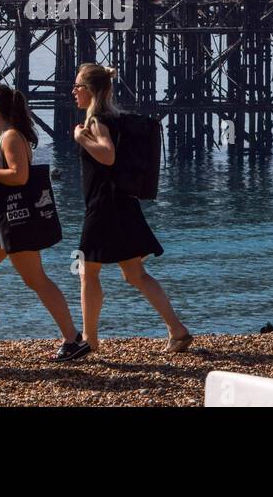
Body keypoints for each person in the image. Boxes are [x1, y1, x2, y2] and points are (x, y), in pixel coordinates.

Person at [0, 84, 88, 362]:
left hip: (15, 217)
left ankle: (73, 339)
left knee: (35, 279)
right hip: (1, 217)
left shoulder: (10, 138)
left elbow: (19, 177)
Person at [71, 63, 191, 353]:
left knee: (88, 272)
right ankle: (177, 330)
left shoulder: (97, 120)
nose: (73, 92)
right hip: (121, 203)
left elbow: (108, 156)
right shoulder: (113, 118)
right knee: (134, 274)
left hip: (104, 206)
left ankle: (90, 340)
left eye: (78, 87)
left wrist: (81, 139)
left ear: (91, 91)